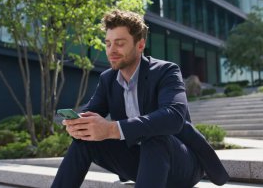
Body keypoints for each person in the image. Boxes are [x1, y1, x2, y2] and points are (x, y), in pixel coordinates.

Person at [51, 10, 229, 188]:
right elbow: (91, 113)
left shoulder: (166, 71)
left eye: (119, 43)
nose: (111, 50)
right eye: (108, 43)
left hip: (180, 164)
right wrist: (80, 126)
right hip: (138, 162)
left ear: (140, 45)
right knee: (84, 141)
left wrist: (113, 129)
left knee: (155, 136)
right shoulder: (108, 79)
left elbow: (174, 117)